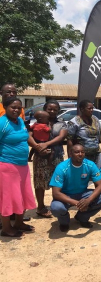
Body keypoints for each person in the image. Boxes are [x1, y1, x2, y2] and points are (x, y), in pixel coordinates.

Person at [50, 144, 101, 232]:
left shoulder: (90, 165)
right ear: (70, 154)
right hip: (66, 195)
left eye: (82, 152)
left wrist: (88, 200)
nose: (80, 154)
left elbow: (100, 185)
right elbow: (56, 193)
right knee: (56, 207)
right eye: (77, 152)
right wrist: (77, 203)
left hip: (83, 193)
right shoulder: (62, 167)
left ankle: (82, 217)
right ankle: (64, 222)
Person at [0, 97, 36, 237]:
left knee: (21, 194)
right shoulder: (2, 123)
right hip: (7, 166)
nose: (16, 110)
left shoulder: (20, 121)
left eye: (19, 107)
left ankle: (19, 222)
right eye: (12, 107)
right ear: (5, 107)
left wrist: (37, 147)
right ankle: (6, 227)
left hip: (22, 165)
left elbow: (26, 136)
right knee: (8, 197)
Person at [28, 100, 68, 218]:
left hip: (57, 155)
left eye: (55, 109)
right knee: (40, 182)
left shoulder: (61, 123)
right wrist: (38, 147)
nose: (52, 111)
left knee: (58, 181)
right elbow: (28, 136)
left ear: (58, 111)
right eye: (49, 109)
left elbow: (61, 136)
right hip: (40, 156)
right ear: (44, 109)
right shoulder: (35, 123)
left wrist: (46, 144)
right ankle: (40, 207)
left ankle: (57, 205)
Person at [67, 100, 101, 169]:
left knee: (97, 175)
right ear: (82, 109)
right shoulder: (74, 122)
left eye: (92, 108)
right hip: (82, 155)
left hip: (96, 153)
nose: (91, 110)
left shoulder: (95, 119)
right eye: (89, 108)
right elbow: (70, 140)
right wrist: (70, 156)